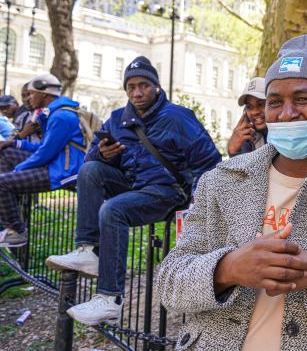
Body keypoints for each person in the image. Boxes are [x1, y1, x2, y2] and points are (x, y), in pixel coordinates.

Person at [157, 34, 307, 350]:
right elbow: (169, 283)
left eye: (302, 100)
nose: (287, 114)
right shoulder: (221, 181)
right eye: (275, 102)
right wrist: (228, 268)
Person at [45, 56, 222, 326]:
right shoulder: (118, 119)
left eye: (144, 85)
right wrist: (104, 156)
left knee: (113, 210)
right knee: (90, 170)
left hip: (168, 190)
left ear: (156, 87)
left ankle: (109, 299)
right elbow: (91, 160)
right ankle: (88, 250)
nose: (137, 93)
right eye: (131, 87)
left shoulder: (178, 117)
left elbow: (209, 162)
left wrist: (198, 203)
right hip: (135, 184)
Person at [0, 74, 85, 247]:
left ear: (44, 95)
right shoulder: (53, 113)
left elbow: (45, 153)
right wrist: (14, 143)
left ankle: (16, 231)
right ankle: (6, 205)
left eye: (31, 94)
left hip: (63, 170)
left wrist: (18, 171)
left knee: (2, 183)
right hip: (54, 162)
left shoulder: (61, 116)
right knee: (5, 152)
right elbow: (44, 148)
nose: (28, 99)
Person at [228, 76, 307, 157]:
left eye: (261, 104)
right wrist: (234, 151)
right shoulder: (248, 134)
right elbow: (242, 182)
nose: (254, 112)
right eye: (249, 107)